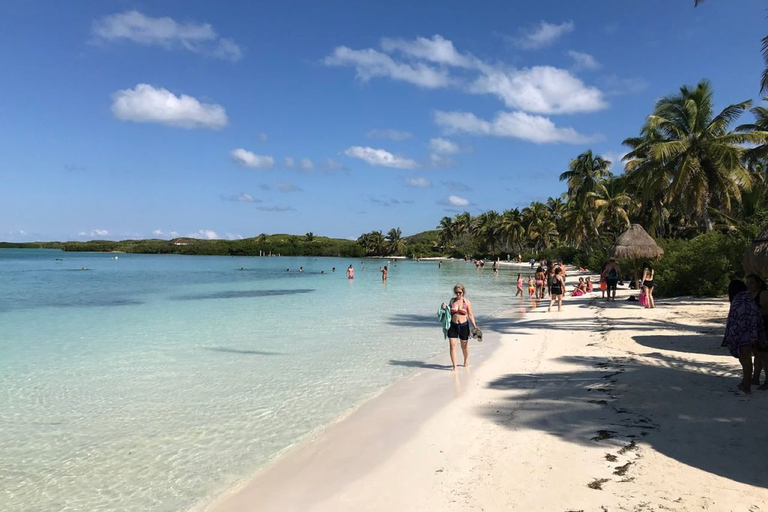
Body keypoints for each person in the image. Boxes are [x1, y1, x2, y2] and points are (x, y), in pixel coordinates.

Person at [722, 279, 768, 394]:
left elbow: (735, 319)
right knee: (749, 359)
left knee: (745, 359)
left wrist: (730, 337)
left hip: (743, 334)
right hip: (754, 332)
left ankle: (746, 385)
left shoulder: (739, 300)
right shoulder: (748, 298)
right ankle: (747, 382)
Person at [442, 284, 478, 371]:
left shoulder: (467, 302)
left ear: (463, 292)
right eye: (456, 292)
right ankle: (454, 366)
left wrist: (475, 326)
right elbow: (449, 313)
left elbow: (470, 315)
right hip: (453, 326)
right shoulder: (452, 301)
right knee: (452, 346)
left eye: (460, 292)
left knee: (464, 346)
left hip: (463, 326)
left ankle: (465, 360)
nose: (458, 294)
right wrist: (444, 308)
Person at [746, 274, 768, 388]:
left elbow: (763, 309)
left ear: (758, 283)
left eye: (752, 282)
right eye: (748, 283)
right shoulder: (749, 295)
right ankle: (756, 378)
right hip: (754, 327)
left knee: (764, 355)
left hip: (764, 326)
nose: (749, 285)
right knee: (757, 354)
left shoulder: (763, 294)